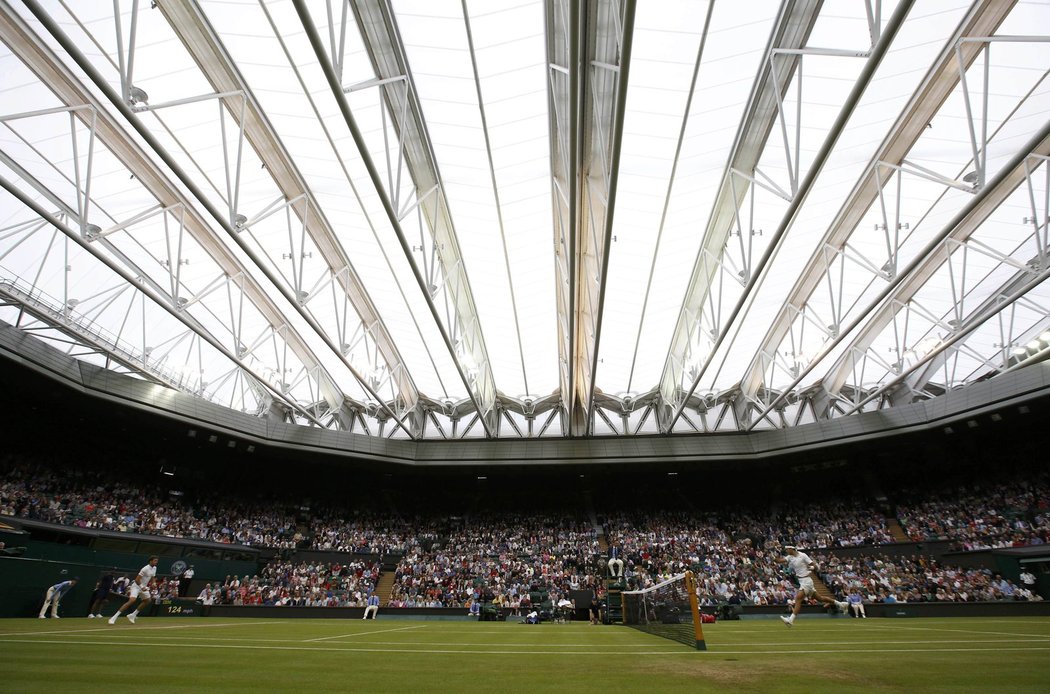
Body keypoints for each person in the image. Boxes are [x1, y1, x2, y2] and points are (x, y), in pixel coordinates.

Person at [778, 546, 848, 627]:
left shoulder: (803, 555)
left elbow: (814, 566)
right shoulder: (789, 557)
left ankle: (791, 620)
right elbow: (779, 561)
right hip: (802, 581)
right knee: (820, 599)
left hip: (806, 581)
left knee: (798, 599)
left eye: (787, 549)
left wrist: (812, 567)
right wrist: (774, 556)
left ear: (792, 549)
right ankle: (841, 604)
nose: (786, 551)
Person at [109, 556, 158, 625]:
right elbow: (137, 580)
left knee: (148, 600)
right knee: (132, 600)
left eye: (157, 561)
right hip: (136, 586)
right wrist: (142, 587)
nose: (156, 562)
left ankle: (133, 615)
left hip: (143, 587)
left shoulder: (154, 568)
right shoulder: (145, 569)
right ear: (150, 561)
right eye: (155, 561)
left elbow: (152, 577)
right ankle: (113, 618)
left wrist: (154, 583)